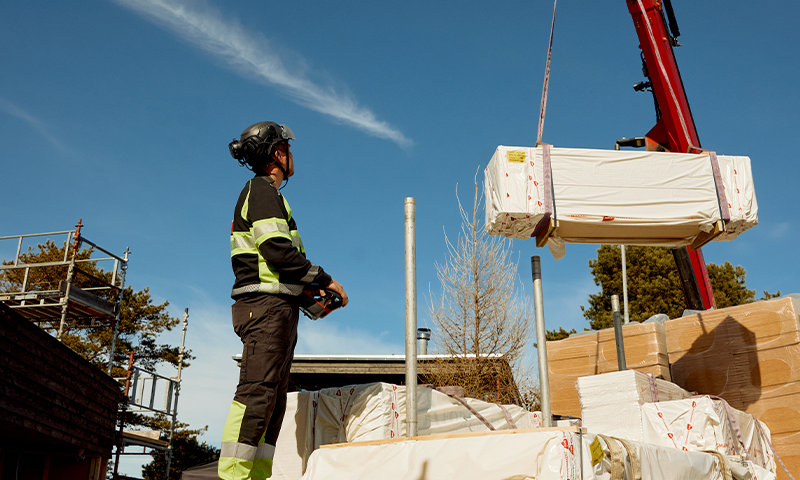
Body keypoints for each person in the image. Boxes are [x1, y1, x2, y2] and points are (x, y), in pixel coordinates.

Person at [219, 121, 348, 480]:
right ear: (277, 152)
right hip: (264, 308)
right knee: (257, 392)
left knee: (273, 398)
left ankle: (256, 474)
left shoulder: (268, 195)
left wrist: (311, 300)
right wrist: (326, 280)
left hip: (275, 307)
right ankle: (233, 476)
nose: (292, 155)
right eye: (288, 148)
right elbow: (277, 250)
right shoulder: (261, 191)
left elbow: (278, 267)